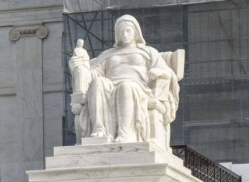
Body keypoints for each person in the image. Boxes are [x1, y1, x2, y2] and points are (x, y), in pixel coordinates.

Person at [68, 14, 179, 146]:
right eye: (121, 31)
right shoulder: (107, 54)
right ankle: (99, 129)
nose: (125, 34)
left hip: (139, 87)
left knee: (125, 86)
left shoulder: (149, 52)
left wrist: (159, 72)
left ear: (136, 32)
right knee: (97, 83)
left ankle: (125, 133)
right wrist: (79, 66)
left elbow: (168, 73)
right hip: (110, 85)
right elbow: (93, 75)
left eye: (128, 30)